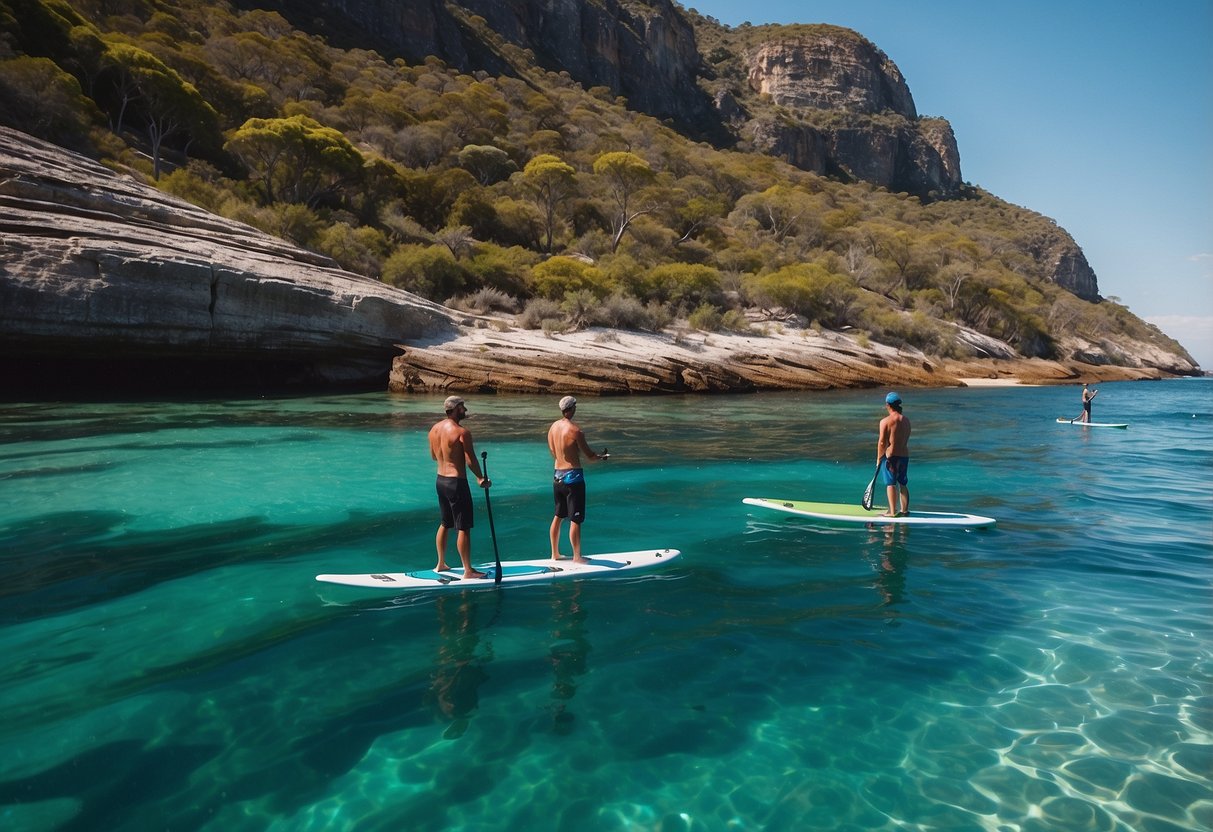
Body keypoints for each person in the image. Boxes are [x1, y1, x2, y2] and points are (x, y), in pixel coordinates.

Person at [428, 395, 489, 578]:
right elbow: (470, 460)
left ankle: (440, 564)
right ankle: (468, 570)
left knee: (445, 523)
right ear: (455, 409)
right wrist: (481, 478)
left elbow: (433, 456)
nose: (465, 410)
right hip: (456, 483)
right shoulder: (462, 432)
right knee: (463, 527)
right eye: (462, 407)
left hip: (441, 481)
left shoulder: (434, 429)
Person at [547, 395, 609, 563]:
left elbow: (553, 451)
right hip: (573, 479)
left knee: (558, 516)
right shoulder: (575, 431)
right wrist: (602, 456)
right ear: (572, 408)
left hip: (557, 476)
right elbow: (589, 456)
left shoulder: (553, 427)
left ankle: (555, 554)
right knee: (575, 518)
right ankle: (576, 557)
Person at [876, 391, 911, 517]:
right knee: (902, 483)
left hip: (891, 458)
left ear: (888, 405)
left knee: (891, 484)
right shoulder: (906, 421)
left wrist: (879, 459)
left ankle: (892, 512)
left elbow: (881, 443)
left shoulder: (885, 421)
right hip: (904, 456)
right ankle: (904, 510)